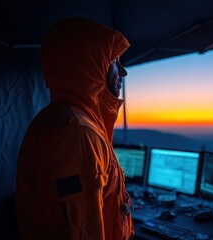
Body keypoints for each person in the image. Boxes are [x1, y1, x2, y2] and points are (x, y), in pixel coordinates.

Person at [16, 18, 133, 240]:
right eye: (114, 60)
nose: (123, 71)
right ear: (89, 64)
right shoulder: (76, 133)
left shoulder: (62, 120)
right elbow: (81, 231)